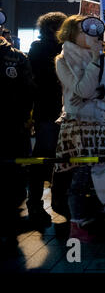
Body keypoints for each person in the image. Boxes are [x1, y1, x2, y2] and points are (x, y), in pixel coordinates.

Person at [54, 15, 105, 243]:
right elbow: (81, 90)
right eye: (86, 30)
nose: (93, 35)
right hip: (80, 128)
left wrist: (100, 93)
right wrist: (95, 62)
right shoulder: (62, 60)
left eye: (95, 30)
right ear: (72, 33)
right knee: (80, 179)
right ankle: (78, 224)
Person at [27, 12, 68, 229]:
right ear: (53, 29)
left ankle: (57, 203)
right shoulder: (40, 48)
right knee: (43, 159)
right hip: (48, 112)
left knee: (59, 159)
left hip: (60, 112)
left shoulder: (63, 49)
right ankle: (35, 204)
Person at [0, 33, 35, 257]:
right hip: (13, 128)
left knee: (13, 176)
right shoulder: (16, 57)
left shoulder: (16, 58)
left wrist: (24, 119)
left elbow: (29, 91)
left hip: (12, 128)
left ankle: (9, 225)